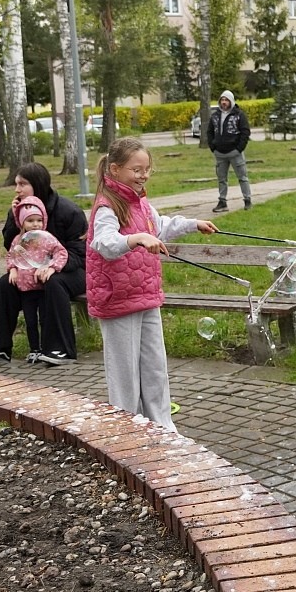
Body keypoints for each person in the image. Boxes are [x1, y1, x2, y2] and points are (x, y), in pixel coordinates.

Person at [86, 137, 218, 430]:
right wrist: (135, 239)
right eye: (136, 170)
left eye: (147, 170)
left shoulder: (140, 203)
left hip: (145, 294)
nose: (143, 175)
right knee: (125, 375)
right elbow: (103, 242)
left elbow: (160, 227)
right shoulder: (108, 206)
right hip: (117, 299)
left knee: (155, 368)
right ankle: (127, 429)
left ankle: (162, 426)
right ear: (115, 169)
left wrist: (193, 223)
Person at [0, 162, 87, 366]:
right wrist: (13, 218)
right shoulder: (20, 210)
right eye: (16, 184)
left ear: (37, 184)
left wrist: (52, 267)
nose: (17, 189)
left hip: (73, 271)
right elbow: (13, 246)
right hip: (32, 272)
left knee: (55, 283)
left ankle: (61, 350)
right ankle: (1, 349)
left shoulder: (68, 211)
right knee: (4, 284)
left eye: (22, 184)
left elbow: (80, 254)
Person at [5, 197, 69, 363]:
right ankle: (34, 349)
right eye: (30, 221)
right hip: (25, 290)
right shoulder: (18, 241)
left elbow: (61, 252)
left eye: (39, 220)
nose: (35, 224)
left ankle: (47, 349)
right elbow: (11, 256)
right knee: (30, 321)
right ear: (22, 223)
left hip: (42, 288)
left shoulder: (47, 238)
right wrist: (12, 269)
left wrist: (53, 267)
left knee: (45, 319)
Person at [207, 90, 252, 213]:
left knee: (242, 177)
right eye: (222, 100)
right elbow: (209, 132)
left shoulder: (239, 115)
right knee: (221, 179)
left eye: (226, 100)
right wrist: (213, 147)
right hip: (219, 153)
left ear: (231, 101)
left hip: (235, 152)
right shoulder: (215, 115)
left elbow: (245, 132)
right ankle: (222, 202)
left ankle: (247, 200)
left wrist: (239, 149)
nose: (224, 102)